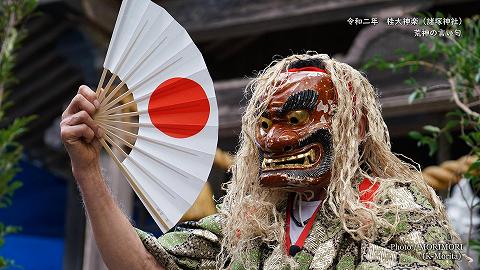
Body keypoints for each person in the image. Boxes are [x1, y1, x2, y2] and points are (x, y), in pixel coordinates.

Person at [61, 53, 462, 269]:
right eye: (266, 123)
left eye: (295, 120)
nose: (272, 138)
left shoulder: (401, 210)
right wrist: (88, 170)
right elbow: (146, 265)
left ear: (354, 125)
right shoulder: (247, 225)